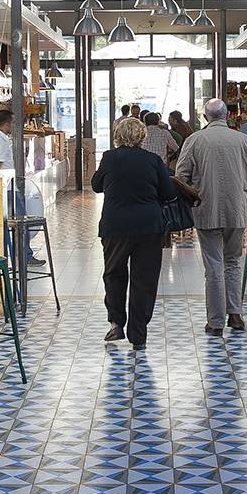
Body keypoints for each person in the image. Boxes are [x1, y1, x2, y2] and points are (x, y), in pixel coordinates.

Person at [91, 116, 177, 350]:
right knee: (144, 279)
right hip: (149, 226)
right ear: (142, 137)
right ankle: (138, 334)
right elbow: (169, 193)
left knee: (114, 273)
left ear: (118, 136)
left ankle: (116, 322)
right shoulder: (153, 160)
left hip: (115, 226)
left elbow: (96, 185)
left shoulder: (109, 158)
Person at [176, 97, 247, 335]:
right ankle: (235, 315)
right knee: (233, 262)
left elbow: (181, 175)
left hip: (206, 208)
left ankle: (215, 322)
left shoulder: (194, 140)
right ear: (227, 116)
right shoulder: (243, 140)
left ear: (205, 117)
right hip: (237, 209)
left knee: (213, 265)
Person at [0, 108, 46, 266]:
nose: (14, 126)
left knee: (0, 225)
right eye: (12, 123)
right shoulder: (0, 141)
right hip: (6, 189)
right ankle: (24, 256)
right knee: (21, 223)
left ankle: (1, 256)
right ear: (6, 124)